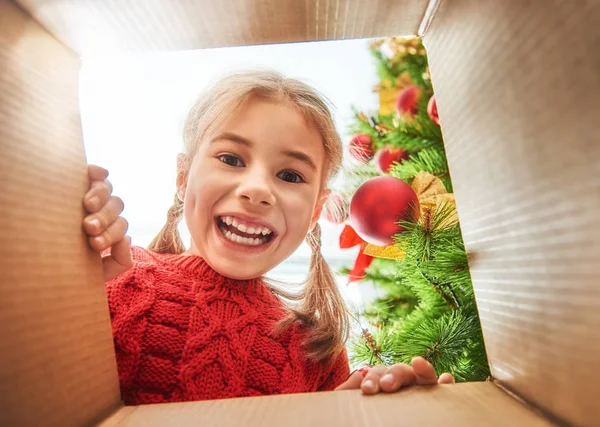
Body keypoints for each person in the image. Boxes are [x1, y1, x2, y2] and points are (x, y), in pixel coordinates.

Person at [82, 70, 454, 405]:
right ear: (183, 177)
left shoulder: (317, 353)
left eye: (290, 176)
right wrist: (79, 295)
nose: (257, 190)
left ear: (313, 213)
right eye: (231, 159)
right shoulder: (109, 276)